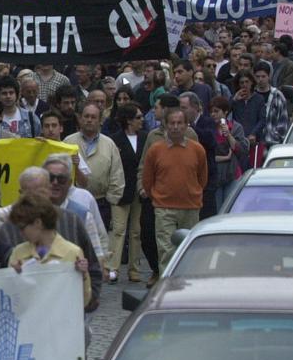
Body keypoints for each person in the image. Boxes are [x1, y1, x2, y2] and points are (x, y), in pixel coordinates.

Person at [142, 107, 207, 276]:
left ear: (186, 125)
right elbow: (148, 180)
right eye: (172, 123)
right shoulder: (155, 150)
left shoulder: (197, 150)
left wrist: (193, 192)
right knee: (166, 251)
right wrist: (157, 197)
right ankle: (167, 285)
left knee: (189, 251)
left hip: (191, 207)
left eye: (179, 123)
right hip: (164, 208)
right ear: (165, 125)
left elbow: (202, 178)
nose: (175, 127)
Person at [7, 193, 92, 309]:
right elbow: (10, 298)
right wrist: (12, 277)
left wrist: (83, 276)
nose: (20, 232)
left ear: (38, 223)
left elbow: (84, 301)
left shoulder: (72, 252)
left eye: (22, 227)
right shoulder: (18, 252)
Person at [63, 103, 124, 232]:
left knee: (99, 243)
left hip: (101, 203)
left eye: (93, 117)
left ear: (100, 120)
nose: (89, 120)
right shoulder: (68, 142)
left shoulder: (109, 144)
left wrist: (111, 202)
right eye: (86, 116)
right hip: (73, 201)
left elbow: (116, 175)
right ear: (80, 119)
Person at [105, 104, 148, 284]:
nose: (142, 120)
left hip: (139, 190)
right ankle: (112, 268)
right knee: (118, 230)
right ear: (129, 120)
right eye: (138, 117)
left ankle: (134, 268)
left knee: (136, 231)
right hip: (121, 190)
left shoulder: (146, 138)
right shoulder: (115, 140)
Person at [209, 96, 249, 209]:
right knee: (218, 208)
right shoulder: (209, 128)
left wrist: (229, 135)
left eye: (216, 111)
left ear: (225, 112)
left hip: (232, 174)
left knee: (230, 207)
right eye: (211, 112)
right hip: (216, 175)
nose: (213, 114)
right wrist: (224, 158)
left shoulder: (236, 127)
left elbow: (241, 151)